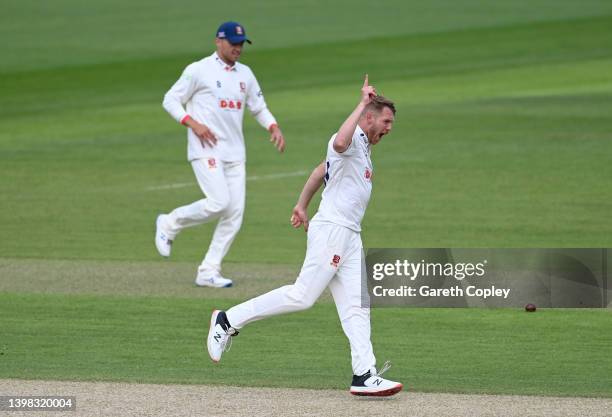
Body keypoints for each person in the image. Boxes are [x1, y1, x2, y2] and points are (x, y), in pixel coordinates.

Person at [206, 76, 403, 396]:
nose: (390, 127)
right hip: (333, 231)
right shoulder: (351, 137)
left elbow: (320, 170)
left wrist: (301, 204)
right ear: (369, 116)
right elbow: (337, 145)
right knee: (302, 295)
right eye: (386, 121)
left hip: (350, 235)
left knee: (357, 306)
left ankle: (364, 374)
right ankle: (228, 320)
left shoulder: (364, 146)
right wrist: (361, 104)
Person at [155, 21, 285, 288]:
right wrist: (193, 123)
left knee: (234, 214)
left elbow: (258, 107)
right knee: (219, 202)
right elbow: (170, 99)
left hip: (236, 153)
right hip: (206, 150)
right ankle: (169, 222)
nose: (238, 48)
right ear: (218, 41)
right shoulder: (198, 70)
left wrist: (273, 126)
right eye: (233, 43)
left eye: (241, 44)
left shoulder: (245, 74)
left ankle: (208, 271)